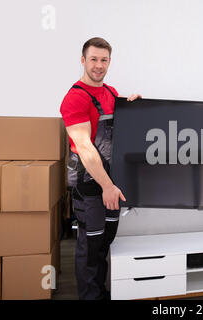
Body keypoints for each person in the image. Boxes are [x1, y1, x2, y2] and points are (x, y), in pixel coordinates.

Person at [60, 37, 141, 300]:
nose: (98, 65)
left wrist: (134, 107)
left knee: (104, 242)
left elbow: (121, 131)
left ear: (109, 62)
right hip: (90, 183)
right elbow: (84, 147)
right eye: (93, 59)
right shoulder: (74, 99)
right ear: (83, 60)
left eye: (103, 60)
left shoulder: (110, 93)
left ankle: (99, 292)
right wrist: (106, 186)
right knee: (90, 245)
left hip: (111, 182)